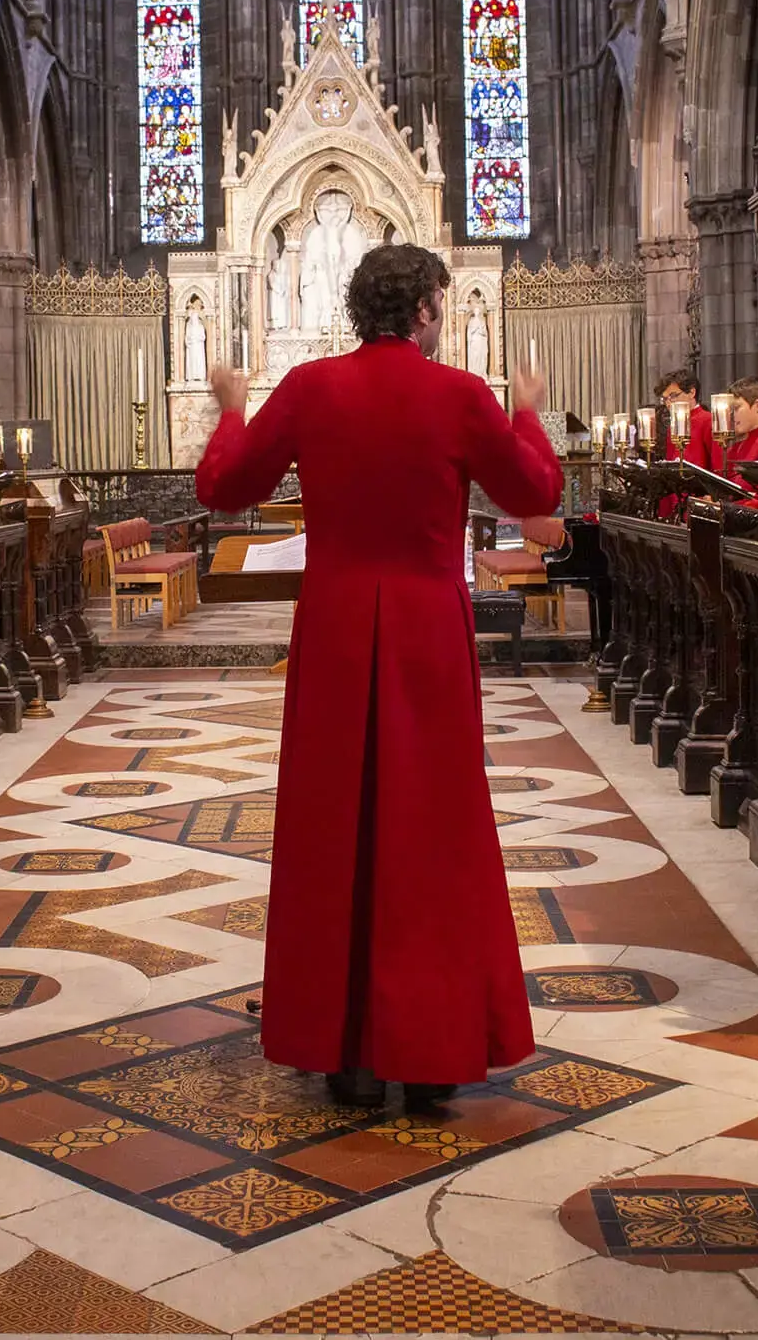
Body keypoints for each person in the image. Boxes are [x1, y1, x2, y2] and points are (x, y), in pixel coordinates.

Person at [194, 242, 562, 1104]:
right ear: (430, 310)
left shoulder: (311, 388)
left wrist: (233, 406)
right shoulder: (462, 395)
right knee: (432, 833)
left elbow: (221, 485)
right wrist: (532, 410)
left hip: (332, 634)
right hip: (428, 635)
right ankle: (430, 1056)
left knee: (333, 830)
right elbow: (535, 490)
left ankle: (343, 1053)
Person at [656, 368, 719, 468]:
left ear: (691, 393)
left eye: (673, 396)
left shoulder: (708, 420)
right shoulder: (673, 425)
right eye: (664, 399)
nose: (668, 403)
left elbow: (718, 464)